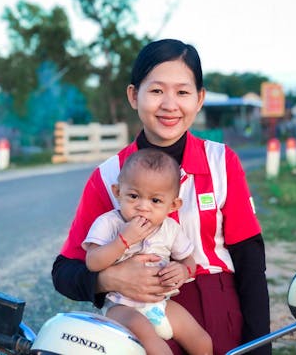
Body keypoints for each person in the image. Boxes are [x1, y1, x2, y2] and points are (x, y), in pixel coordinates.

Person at [52, 38, 271, 355]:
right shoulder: (108, 175)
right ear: (133, 95)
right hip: (135, 320)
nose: (170, 104)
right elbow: (65, 273)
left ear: (199, 99)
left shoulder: (222, 162)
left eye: (183, 92)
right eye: (156, 91)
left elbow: (250, 260)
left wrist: (259, 346)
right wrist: (111, 279)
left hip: (219, 310)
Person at [83, 148, 213, 355]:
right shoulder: (109, 223)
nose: (143, 207)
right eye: (134, 196)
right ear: (118, 192)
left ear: (173, 205)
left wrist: (183, 271)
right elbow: (92, 262)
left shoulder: (170, 228)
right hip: (121, 306)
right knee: (154, 344)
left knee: (202, 342)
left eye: (155, 201)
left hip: (159, 304)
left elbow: (188, 260)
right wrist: (123, 240)